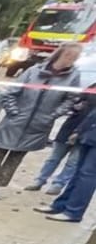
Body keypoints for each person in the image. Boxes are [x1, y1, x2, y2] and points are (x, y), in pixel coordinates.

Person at [0, 42, 83, 199]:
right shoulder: (34, 71)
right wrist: (13, 112)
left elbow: (70, 99)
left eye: (74, 57)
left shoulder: (73, 77)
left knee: (15, 158)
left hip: (39, 124)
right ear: (60, 54)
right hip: (15, 120)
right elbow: (11, 92)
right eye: (68, 55)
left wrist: (52, 115)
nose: (70, 60)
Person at [34, 92, 96, 222]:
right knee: (78, 174)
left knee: (87, 176)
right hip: (89, 135)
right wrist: (79, 131)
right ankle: (60, 206)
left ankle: (73, 212)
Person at [26, 92, 90, 195]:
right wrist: (75, 106)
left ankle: (58, 184)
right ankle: (39, 180)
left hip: (85, 134)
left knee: (72, 162)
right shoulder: (91, 88)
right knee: (53, 158)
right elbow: (72, 102)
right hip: (68, 129)